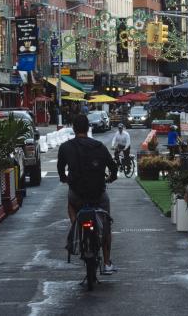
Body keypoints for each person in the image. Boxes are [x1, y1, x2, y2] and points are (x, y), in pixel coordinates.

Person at [57, 115, 118, 274]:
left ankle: (75, 224)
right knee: (106, 226)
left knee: (70, 205)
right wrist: (111, 178)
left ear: (74, 129)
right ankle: (106, 263)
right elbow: (113, 168)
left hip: (77, 195)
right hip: (99, 195)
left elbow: (60, 169)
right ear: (88, 128)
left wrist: (64, 178)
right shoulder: (99, 146)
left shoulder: (65, 147)